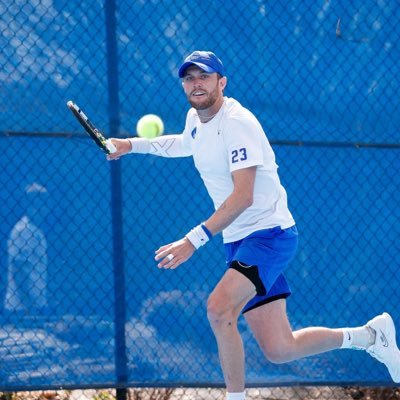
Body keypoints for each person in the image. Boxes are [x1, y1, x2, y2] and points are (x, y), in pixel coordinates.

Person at [106, 51, 400, 399]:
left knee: (218, 309)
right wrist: (130, 145)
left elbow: (243, 196)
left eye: (204, 76)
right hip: (240, 239)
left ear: (221, 82)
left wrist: (193, 240)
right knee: (280, 348)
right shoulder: (195, 119)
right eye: (189, 77)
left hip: (268, 234)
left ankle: (235, 397)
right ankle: (369, 336)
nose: (196, 83)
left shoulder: (238, 123)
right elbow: (184, 144)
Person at [5, 182, 49, 315]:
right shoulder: (24, 230)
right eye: (39, 203)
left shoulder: (36, 230)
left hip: (34, 304)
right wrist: (30, 306)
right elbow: (18, 268)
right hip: (21, 308)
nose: (44, 208)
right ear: (29, 205)